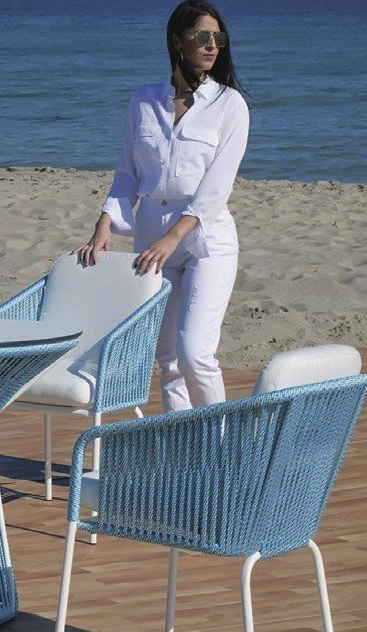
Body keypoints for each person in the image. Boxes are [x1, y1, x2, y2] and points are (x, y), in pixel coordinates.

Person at [74, 0, 249, 413]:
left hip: (205, 239)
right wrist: (105, 222)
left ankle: (220, 445)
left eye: (218, 38)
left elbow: (216, 188)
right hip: (151, 235)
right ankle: (182, 447)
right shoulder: (143, 100)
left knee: (195, 353)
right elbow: (129, 171)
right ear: (177, 41)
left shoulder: (230, 105)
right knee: (168, 360)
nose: (212, 45)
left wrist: (174, 237)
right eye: (202, 36)